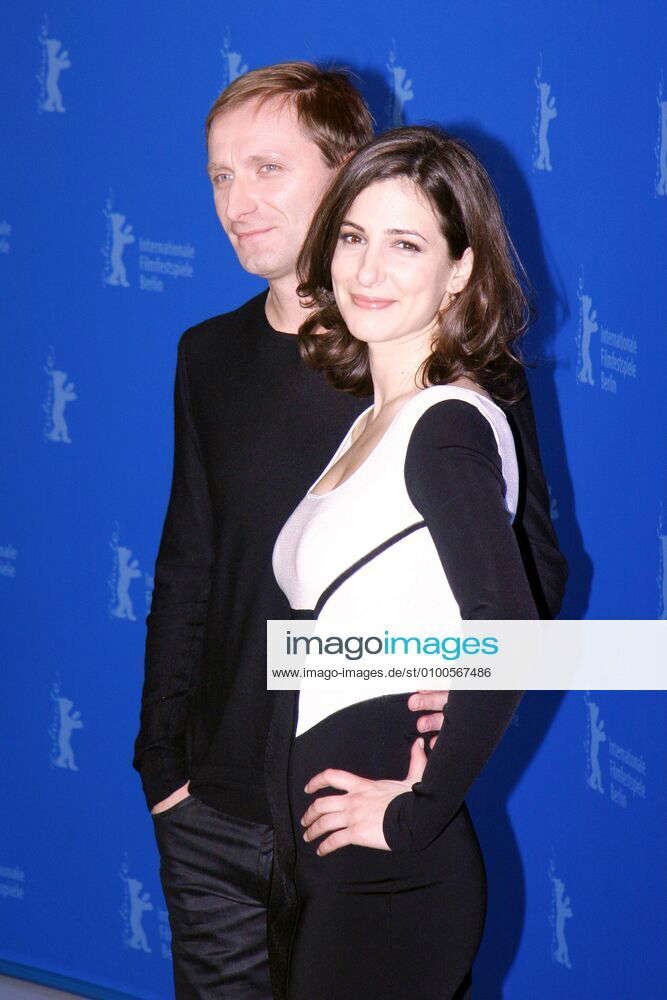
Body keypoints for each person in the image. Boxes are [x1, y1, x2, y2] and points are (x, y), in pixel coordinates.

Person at [132, 64, 567, 999]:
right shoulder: (211, 357)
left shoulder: (445, 382)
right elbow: (188, 567)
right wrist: (162, 764)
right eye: (218, 175)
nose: (236, 202)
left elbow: (525, 593)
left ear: (346, 171)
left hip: (349, 799)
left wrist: (441, 704)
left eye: (266, 169)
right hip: (214, 804)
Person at [267, 125, 546, 1000]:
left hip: (389, 877)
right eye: (352, 237)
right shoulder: (372, 424)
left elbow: (508, 634)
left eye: (405, 244)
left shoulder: (445, 426)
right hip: (328, 860)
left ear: (460, 270)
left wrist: (416, 811)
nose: (366, 270)